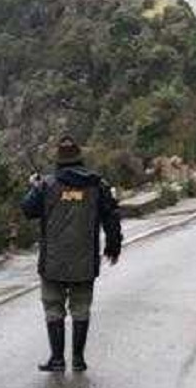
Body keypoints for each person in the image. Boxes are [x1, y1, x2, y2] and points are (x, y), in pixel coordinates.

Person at [21, 136, 122, 373]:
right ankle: (78, 359)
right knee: (81, 308)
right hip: (84, 261)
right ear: (80, 159)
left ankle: (57, 359)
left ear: (58, 162)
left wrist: (33, 187)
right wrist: (113, 246)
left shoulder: (46, 185)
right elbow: (112, 216)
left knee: (53, 307)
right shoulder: (98, 185)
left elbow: (27, 210)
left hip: (52, 262)